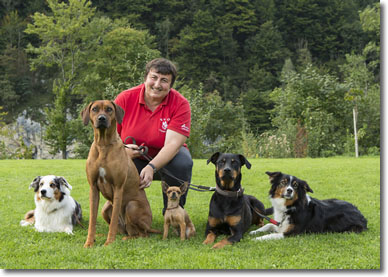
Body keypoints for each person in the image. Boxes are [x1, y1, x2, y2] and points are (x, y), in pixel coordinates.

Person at [114, 58, 193, 215]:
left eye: (164, 80)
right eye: (154, 77)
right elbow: (109, 137)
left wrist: (151, 167)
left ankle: (172, 212)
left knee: (183, 162)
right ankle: (123, 213)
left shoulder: (181, 104)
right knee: (115, 162)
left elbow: (173, 144)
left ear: (170, 86)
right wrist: (122, 150)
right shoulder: (124, 98)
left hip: (168, 158)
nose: (157, 85)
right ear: (145, 78)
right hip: (133, 157)